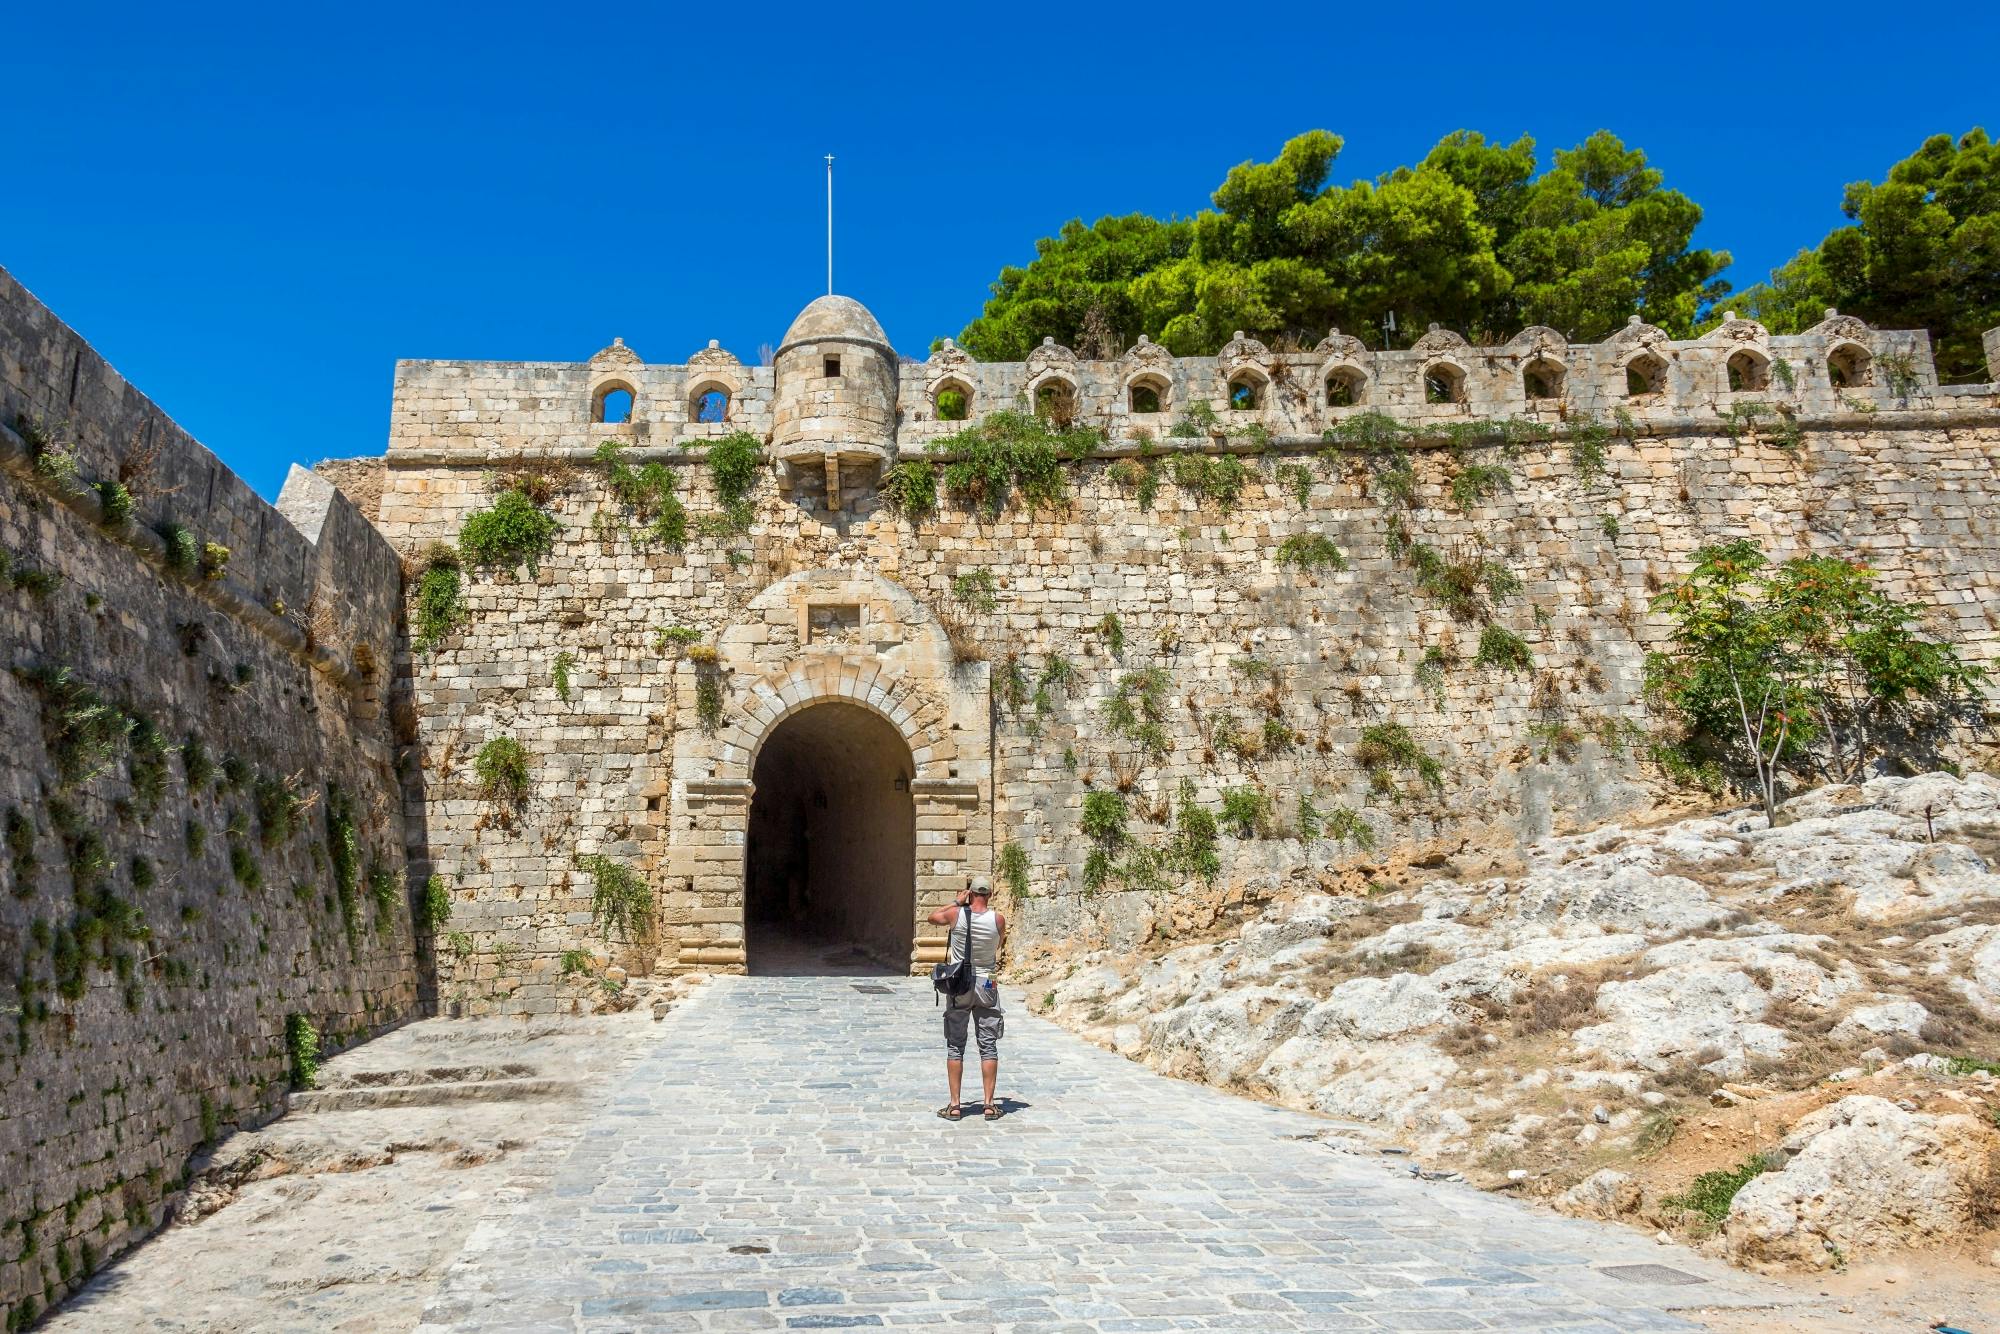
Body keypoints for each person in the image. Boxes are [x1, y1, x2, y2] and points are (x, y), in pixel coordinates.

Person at [929, 879, 1005, 1122]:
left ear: (971, 893)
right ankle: (990, 1105)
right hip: (988, 980)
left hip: (960, 982)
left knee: (955, 1045)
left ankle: (954, 1106)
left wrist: (957, 902)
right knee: (989, 1045)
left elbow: (932, 917)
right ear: (990, 894)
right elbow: (999, 944)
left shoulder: (955, 914)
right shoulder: (998, 919)